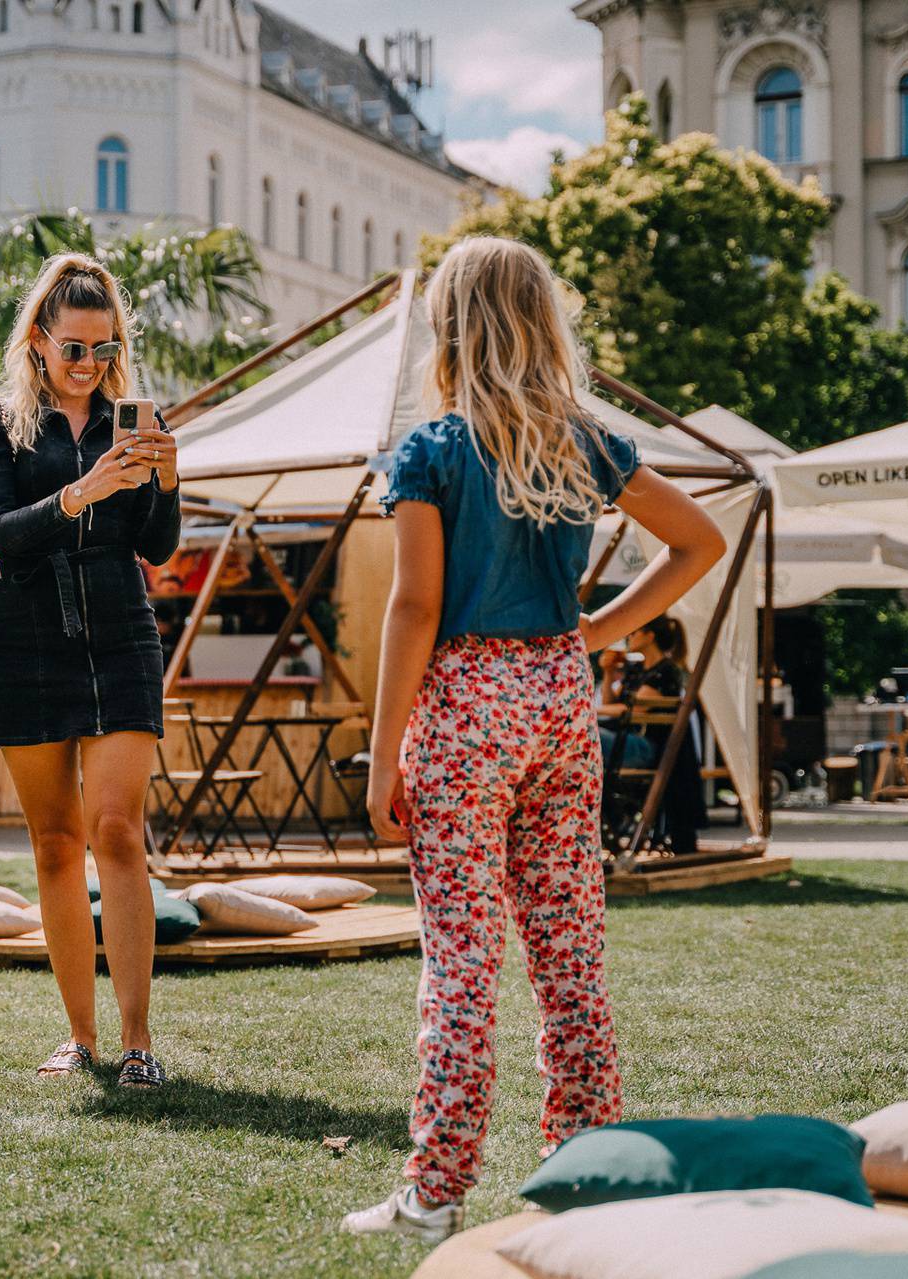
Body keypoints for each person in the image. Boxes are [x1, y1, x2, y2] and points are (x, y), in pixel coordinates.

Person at [343, 237, 726, 1242]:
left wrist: (383, 755)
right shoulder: (583, 438)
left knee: (464, 958)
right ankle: (587, 1170)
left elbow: (413, 607)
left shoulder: (430, 451)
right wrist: (593, 633)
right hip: (561, 695)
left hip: (467, 703)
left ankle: (435, 1191)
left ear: (451, 327)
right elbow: (701, 541)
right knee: (570, 948)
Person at [0, 251, 181, 1090]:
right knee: (55, 843)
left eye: (105, 346)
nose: (91, 363)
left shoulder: (131, 416)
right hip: (26, 637)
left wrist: (165, 477)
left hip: (122, 632)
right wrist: (81, 493)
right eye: (75, 347)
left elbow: (156, 545)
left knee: (118, 830)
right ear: (40, 342)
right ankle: (79, 1039)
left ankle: (137, 1042)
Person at [596, 615, 705, 854]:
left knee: (587, 735)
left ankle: (612, 819)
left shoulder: (666, 671)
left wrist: (585, 710)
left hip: (648, 747)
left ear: (650, 636)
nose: (629, 636)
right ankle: (610, 818)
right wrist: (608, 672)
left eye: (635, 632)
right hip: (627, 741)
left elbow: (634, 709)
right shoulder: (636, 670)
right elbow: (610, 703)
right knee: (588, 735)